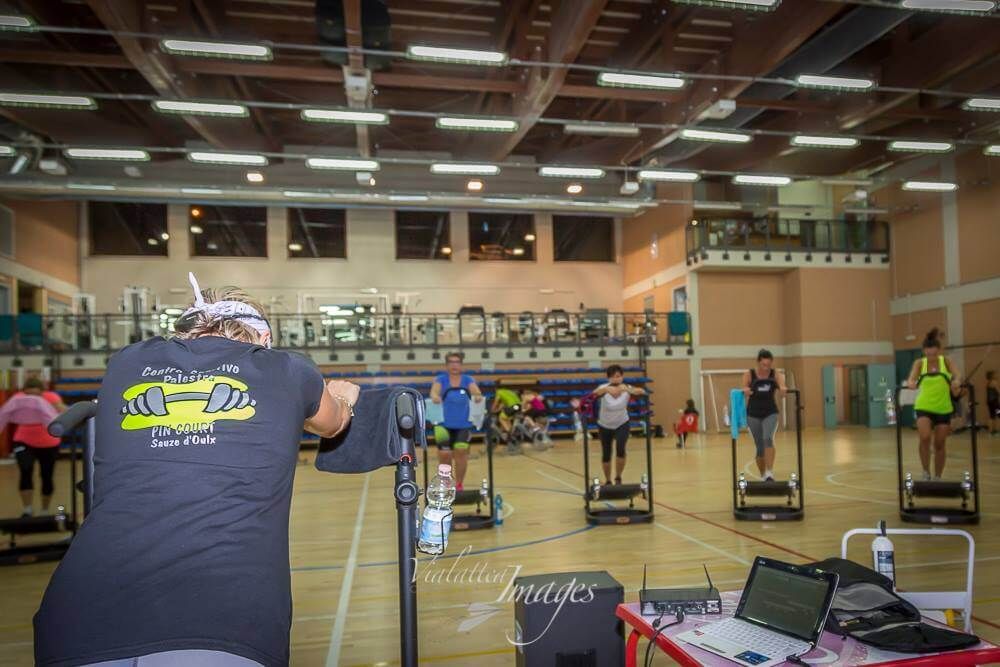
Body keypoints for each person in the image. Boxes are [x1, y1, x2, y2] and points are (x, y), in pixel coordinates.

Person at [34, 274, 361, 667]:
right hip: (220, 621)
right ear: (260, 339)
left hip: (79, 619)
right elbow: (333, 423)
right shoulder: (287, 369)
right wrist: (343, 395)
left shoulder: (127, 361)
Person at [906, 328, 963, 480]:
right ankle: (925, 472)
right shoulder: (919, 363)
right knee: (924, 437)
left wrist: (956, 381)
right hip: (924, 406)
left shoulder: (946, 361)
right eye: (928, 353)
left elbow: (958, 375)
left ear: (939, 350)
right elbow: (911, 378)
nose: (931, 356)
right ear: (924, 351)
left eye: (934, 353)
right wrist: (911, 383)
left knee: (939, 443)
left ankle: (938, 475)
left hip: (943, 408)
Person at [11, 377, 66, 517]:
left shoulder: (51, 397)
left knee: (46, 475)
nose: (32, 398)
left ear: (42, 392)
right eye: (29, 394)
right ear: (24, 392)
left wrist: (58, 410)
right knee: (25, 470)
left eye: (35, 394)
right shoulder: (18, 398)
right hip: (24, 441)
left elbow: (64, 411)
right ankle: (27, 509)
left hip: (48, 443)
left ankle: (45, 510)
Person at [430, 352, 483, 491]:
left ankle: (459, 484)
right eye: (451, 362)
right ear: (447, 365)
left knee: (460, 452)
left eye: (457, 362)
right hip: (443, 424)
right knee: (445, 454)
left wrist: (477, 396)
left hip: (463, 424)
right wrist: (435, 397)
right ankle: (446, 483)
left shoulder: (467, 379)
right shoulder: (441, 379)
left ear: (461, 364)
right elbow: (434, 392)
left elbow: (476, 391)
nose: (454, 365)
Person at [594, 365, 645, 486]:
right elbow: (594, 394)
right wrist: (606, 390)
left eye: (618, 376)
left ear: (622, 377)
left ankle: (618, 477)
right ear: (609, 378)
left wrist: (628, 390)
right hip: (604, 425)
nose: (616, 379)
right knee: (606, 453)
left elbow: (641, 391)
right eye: (613, 377)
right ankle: (607, 480)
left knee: (620, 449)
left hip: (622, 423)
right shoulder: (604, 387)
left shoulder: (626, 387)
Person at [741, 349, 787, 482]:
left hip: (770, 412)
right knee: (759, 446)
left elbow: (782, 386)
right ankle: (763, 474)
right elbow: (743, 388)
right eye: (763, 365)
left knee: (767, 438)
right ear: (758, 363)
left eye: (769, 365)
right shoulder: (749, 374)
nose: (766, 368)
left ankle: (769, 472)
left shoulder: (775, 374)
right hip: (753, 414)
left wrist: (783, 389)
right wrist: (745, 391)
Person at [987, 370, 999, 436]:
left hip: (991, 402)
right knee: (997, 414)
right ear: (992, 376)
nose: (996, 375)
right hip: (994, 402)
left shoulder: (989, 382)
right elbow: (998, 391)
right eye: (995, 374)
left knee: (992, 416)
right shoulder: (993, 382)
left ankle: (992, 431)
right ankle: (993, 431)